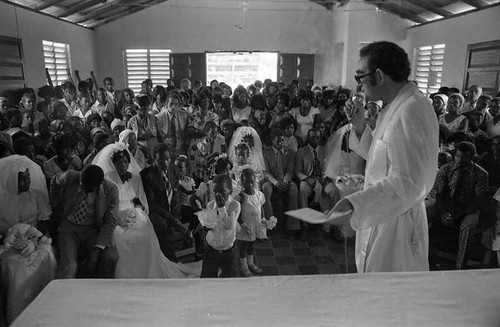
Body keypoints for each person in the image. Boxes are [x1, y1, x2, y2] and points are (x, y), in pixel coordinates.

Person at [330, 41, 439, 273]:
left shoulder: (412, 109)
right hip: (383, 213)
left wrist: (355, 204)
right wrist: (359, 125)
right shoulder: (394, 106)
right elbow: (382, 156)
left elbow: (410, 182)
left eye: (360, 76)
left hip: (397, 225)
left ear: (378, 75)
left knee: (389, 297)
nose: (358, 85)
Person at [93, 143, 200, 278]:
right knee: (123, 238)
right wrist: (118, 215)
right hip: (119, 214)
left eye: (126, 162)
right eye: (119, 163)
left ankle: (197, 250)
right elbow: (151, 203)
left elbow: (143, 200)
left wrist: (138, 211)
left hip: (140, 211)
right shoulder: (111, 179)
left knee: (147, 230)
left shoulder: (163, 172)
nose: (124, 166)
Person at [0, 155, 56, 324]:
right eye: (21, 179)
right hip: (10, 242)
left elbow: (46, 221)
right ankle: (18, 311)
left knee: (44, 255)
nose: (27, 181)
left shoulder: (36, 195)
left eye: (28, 177)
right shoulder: (2, 199)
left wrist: (36, 239)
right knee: (13, 265)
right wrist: (11, 239)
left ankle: (44, 306)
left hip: (36, 237)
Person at [50, 165, 119, 279]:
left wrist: (97, 249)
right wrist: (56, 204)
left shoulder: (111, 190)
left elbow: (110, 221)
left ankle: (102, 291)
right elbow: (54, 181)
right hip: (69, 227)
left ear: (98, 186)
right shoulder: (70, 176)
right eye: (82, 185)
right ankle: (62, 294)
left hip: (92, 229)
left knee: (111, 257)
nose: (83, 189)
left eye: (88, 188)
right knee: (70, 265)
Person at [434, 142, 488, 269]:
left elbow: (478, 201)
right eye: (457, 156)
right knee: (424, 214)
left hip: (469, 209)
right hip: (447, 207)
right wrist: (443, 212)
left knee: (468, 226)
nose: (459, 159)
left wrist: (459, 214)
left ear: (472, 157)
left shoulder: (481, 174)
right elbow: (439, 195)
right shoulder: (446, 169)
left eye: (464, 157)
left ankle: (460, 265)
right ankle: (426, 255)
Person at [140, 144, 192, 262]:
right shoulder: (146, 175)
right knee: (161, 226)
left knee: (196, 214)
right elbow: (152, 204)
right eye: (160, 160)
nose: (165, 163)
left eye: (167, 159)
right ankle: (171, 261)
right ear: (154, 159)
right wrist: (172, 219)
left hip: (173, 209)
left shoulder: (173, 169)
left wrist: (176, 214)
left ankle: (197, 248)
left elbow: (176, 193)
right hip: (157, 211)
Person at [200, 174, 241, 278]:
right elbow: (210, 223)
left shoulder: (234, 205)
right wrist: (206, 226)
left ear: (230, 191)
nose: (218, 195)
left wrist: (222, 208)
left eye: (222, 191)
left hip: (228, 249)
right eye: (215, 192)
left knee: (230, 279)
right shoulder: (210, 205)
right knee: (207, 277)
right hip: (212, 247)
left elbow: (229, 226)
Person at [262, 128, 298, 232]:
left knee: (294, 188)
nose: (281, 143)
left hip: (285, 180)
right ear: (272, 140)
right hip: (272, 180)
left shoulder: (290, 153)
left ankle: (293, 225)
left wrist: (285, 181)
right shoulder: (266, 153)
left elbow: (290, 170)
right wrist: (276, 182)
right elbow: (266, 172)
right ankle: (270, 223)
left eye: (282, 140)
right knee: (265, 188)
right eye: (278, 141)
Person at [236, 168, 266, 277]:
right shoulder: (242, 196)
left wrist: (263, 219)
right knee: (244, 246)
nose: (249, 184)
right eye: (246, 182)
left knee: (252, 245)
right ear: (242, 182)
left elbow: (260, 208)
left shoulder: (258, 194)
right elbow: (237, 212)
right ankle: (244, 267)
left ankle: (251, 263)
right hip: (245, 226)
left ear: (255, 181)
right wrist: (242, 224)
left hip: (255, 225)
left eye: (251, 182)